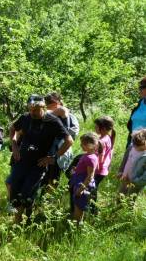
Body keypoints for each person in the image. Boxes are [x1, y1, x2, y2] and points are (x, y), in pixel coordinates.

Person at [9, 95, 73, 224]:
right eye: (30, 109)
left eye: (36, 109)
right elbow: (12, 128)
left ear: (43, 107)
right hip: (22, 160)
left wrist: (53, 157)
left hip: (39, 164)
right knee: (13, 187)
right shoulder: (25, 117)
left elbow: (69, 141)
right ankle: (19, 220)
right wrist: (14, 145)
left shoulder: (53, 121)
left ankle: (25, 221)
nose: (32, 112)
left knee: (26, 193)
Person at [43, 92, 79, 187]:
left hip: (60, 152)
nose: (49, 105)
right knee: (44, 179)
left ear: (58, 102)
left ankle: (49, 200)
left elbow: (72, 133)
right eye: (47, 103)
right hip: (46, 152)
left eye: (51, 102)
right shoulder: (46, 114)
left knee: (53, 179)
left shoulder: (69, 116)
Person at [69, 133, 101, 223]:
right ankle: (77, 225)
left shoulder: (90, 158)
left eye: (83, 143)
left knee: (78, 209)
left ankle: (76, 228)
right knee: (77, 206)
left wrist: (81, 189)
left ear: (91, 145)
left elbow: (90, 176)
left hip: (82, 185)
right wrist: (77, 170)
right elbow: (87, 170)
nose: (80, 145)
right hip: (79, 182)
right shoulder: (89, 155)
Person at [90, 116, 116, 211]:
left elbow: (99, 160)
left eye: (96, 127)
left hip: (98, 170)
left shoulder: (101, 141)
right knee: (93, 189)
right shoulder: (107, 137)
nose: (95, 128)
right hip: (103, 169)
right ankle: (93, 209)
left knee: (92, 190)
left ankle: (93, 210)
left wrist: (92, 168)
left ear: (103, 128)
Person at [119, 129, 146, 196]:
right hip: (125, 178)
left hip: (135, 183)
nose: (135, 147)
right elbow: (125, 159)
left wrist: (135, 182)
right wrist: (121, 171)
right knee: (120, 197)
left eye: (138, 145)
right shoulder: (131, 147)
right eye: (134, 144)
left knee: (129, 201)